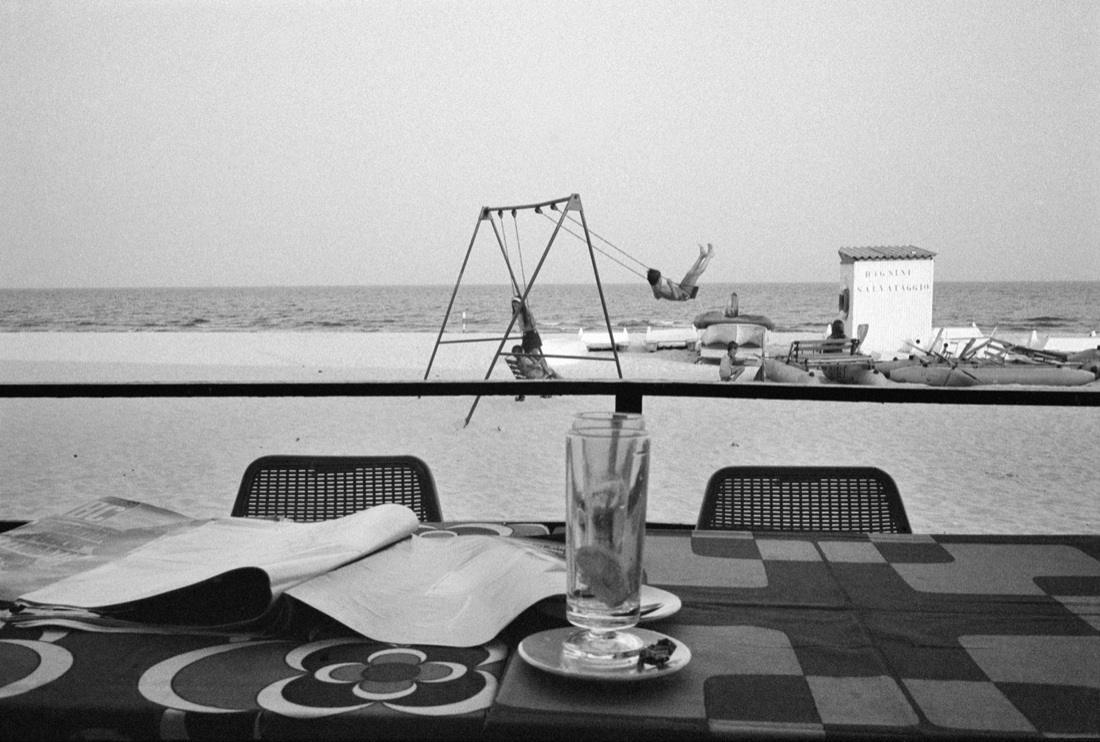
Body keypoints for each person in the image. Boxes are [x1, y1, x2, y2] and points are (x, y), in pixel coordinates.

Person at [647, 243, 715, 301]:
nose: (661, 278)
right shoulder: (661, 290)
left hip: (681, 288)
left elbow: (657, 297)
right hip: (685, 293)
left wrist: (652, 285)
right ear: (658, 280)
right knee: (696, 273)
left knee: (690, 273)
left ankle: (702, 256)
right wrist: (670, 285)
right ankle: (709, 255)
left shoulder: (656, 289)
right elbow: (676, 297)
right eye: (660, 277)